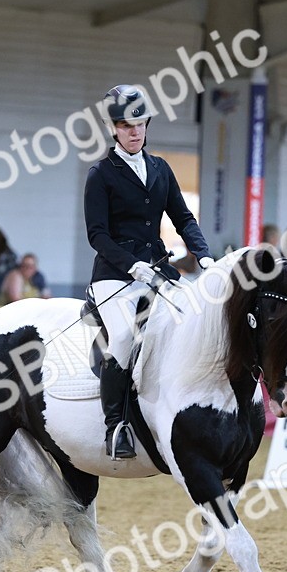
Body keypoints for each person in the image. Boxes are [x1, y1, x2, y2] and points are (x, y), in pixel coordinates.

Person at [85, 84, 212, 460]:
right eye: (126, 125)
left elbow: (183, 217)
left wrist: (203, 255)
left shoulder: (160, 168)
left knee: (192, 318)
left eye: (139, 123)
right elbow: (97, 235)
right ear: (114, 129)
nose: (134, 131)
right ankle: (116, 427)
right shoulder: (100, 174)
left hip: (157, 270)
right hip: (114, 275)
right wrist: (130, 264)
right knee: (124, 336)